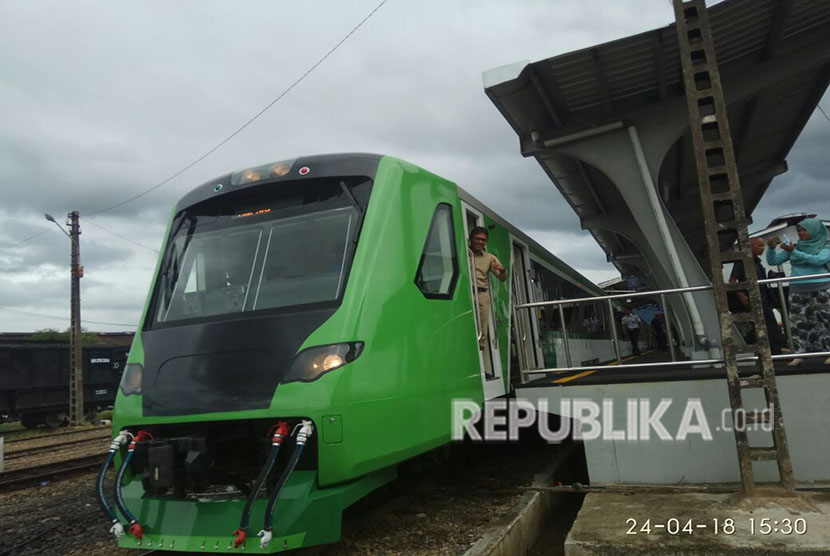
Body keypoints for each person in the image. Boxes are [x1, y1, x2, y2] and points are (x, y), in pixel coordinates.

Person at [766, 218, 830, 366]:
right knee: (798, 322)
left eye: (804, 230)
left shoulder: (826, 246)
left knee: (825, 320)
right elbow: (773, 261)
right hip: (797, 289)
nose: (801, 233)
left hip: (822, 288)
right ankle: (801, 353)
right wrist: (770, 248)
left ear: (814, 230)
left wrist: (794, 251)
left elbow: (818, 260)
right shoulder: (795, 247)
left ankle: (828, 351)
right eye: (799, 230)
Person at [728, 237, 783, 354]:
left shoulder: (757, 262)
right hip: (753, 298)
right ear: (751, 246)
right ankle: (773, 352)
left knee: (769, 326)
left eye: (763, 246)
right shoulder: (741, 261)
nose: (763, 249)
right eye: (760, 246)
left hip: (764, 297)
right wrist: (743, 297)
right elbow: (733, 280)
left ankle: (773, 351)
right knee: (768, 326)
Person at [469, 226, 506, 349]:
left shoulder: (490, 258)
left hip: (481, 294)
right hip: (465, 292)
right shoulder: (462, 252)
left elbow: (502, 278)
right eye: (478, 239)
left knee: (482, 330)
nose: (480, 242)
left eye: (483, 240)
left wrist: (502, 271)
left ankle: (480, 356)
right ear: (471, 239)